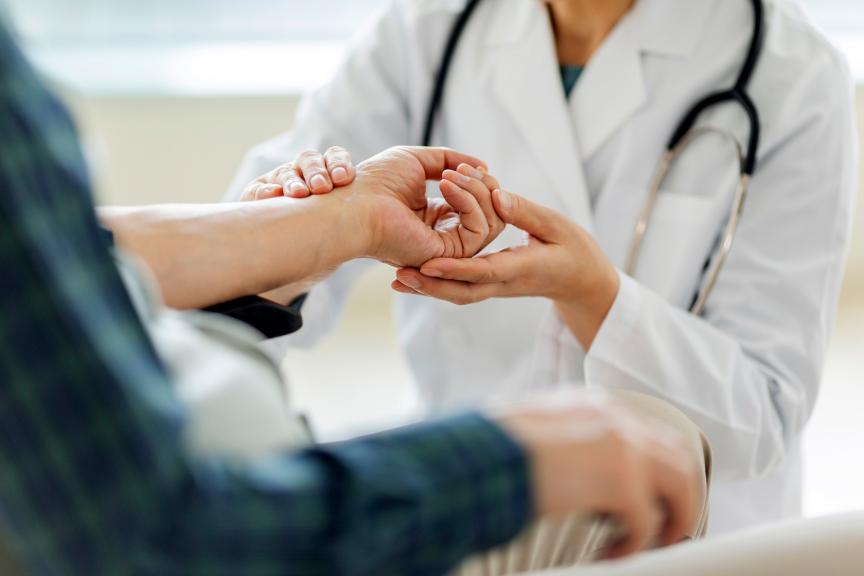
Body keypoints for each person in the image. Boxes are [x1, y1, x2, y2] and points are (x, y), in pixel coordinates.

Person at [0, 21, 707, 573]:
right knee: (647, 446)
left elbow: (71, 259)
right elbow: (164, 545)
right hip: (271, 525)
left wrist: (342, 220)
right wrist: (503, 461)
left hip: (253, 465)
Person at [229, 0, 858, 533]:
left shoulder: (793, 75)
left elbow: (764, 411)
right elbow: (233, 296)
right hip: (468, 509)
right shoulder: (426, 31)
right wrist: (302, 236)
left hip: (691, 535)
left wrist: (595, 297)